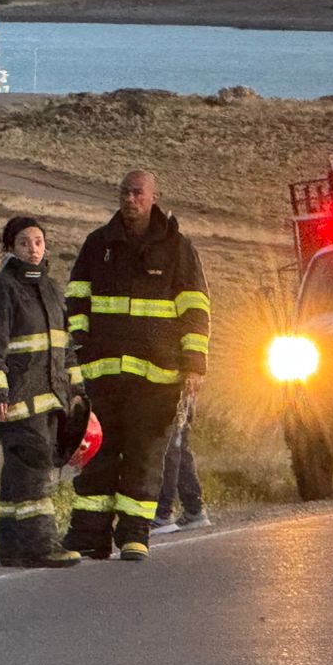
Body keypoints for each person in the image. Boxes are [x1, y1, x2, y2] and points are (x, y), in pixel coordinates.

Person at [62, 170, 209, 562]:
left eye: (137, 193)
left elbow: (195, 310)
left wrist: (193, 366)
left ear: (153, 196)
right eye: (124, 192)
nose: (130, 199)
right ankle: (89, 536)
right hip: (104, 376)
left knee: (144, 457)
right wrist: (81, 349)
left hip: (158, 378)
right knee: (97, 456)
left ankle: (134, 536)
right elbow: (76, 299)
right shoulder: (98, 244)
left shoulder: (177, 248)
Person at [0, 215, 84, 568]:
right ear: (9, 248)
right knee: (36, 470)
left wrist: (76, 389)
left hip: (51, 398)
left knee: (16, 476)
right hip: (19, 401)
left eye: (38, 241)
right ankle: (41, 544)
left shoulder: (51, 291)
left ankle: (12, 546)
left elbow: (65, 348)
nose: (33, 249)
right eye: (24, 243)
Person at [152, 401, 211, 534]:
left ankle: (162, 514)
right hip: (185, 389)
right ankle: (194, 510)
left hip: (171, 391)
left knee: (168, 443)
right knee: (178, 443)